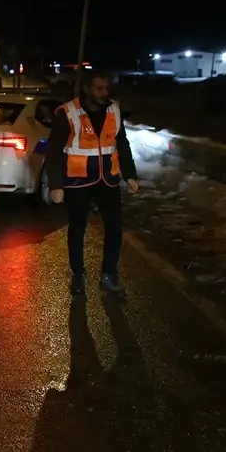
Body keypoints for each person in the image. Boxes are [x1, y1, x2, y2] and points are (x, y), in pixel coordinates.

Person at [44, 70, 139, 297]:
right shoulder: (67, 112)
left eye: (107, 88)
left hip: (107, 179)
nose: (104, 93)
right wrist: (56, 185)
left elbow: (122, 144)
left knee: (115, 228)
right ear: (87, 89)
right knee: (77, 229)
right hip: (78, 181)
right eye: (99, 88)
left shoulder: (114, 110)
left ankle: (109, 275)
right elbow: (54, 151)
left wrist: (130, 174)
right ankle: (77, 275)